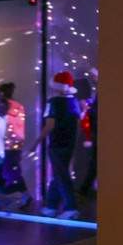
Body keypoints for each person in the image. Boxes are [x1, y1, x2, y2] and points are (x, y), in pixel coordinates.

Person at [27, 71, 82, 219]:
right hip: (69, 143)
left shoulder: (53, 102)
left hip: (57, 143)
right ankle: (51, 205)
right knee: (59, 173)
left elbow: (49, 126)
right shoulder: (75, 102)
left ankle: (71, 208)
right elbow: (78, 125)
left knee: (61, 175)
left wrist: (36, 143)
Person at [0, 82, 29, 201]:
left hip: (4, 143)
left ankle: (21, 195)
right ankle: (18, 195)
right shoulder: (19, 106)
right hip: (17, 143)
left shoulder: (1, 106)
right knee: (12, 169)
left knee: (5, 171)